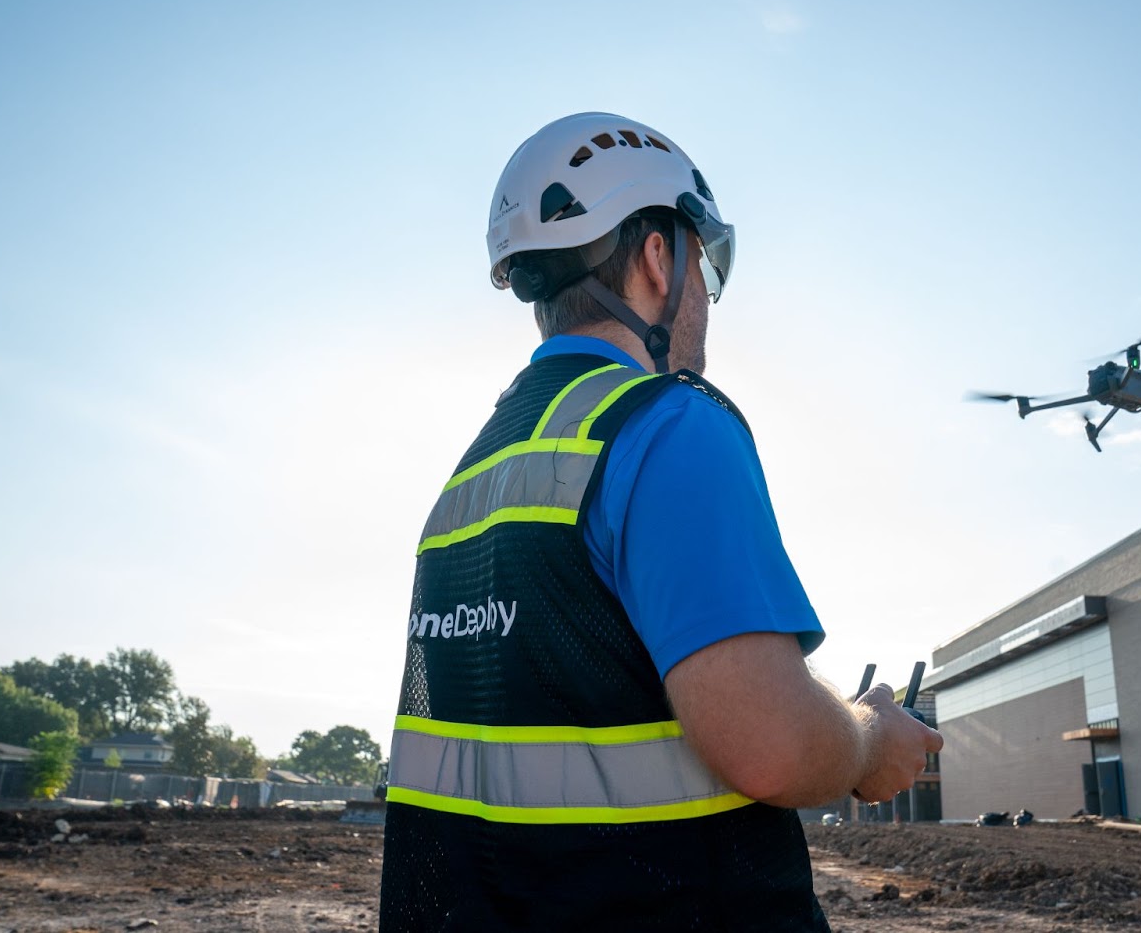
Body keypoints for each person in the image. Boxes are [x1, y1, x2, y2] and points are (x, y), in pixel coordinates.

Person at [379, 113, 944, 931]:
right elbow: (773, 746)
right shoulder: (668, 426)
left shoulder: (480, 468)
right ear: (655, 256)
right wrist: (866, 741)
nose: (705, 299)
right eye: (702, 265)